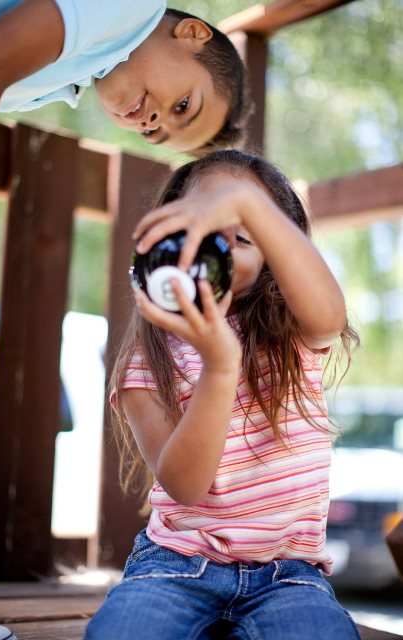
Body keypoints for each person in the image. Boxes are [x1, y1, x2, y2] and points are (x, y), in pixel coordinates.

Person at [84, 149, 361, 639]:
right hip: (176, 563)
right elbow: (185, 486)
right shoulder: (149, 360)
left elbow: (329, 317)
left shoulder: (292, 332)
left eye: (243, 235)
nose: (220, 249)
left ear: (276, 257)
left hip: (288, 574)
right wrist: (219, 366)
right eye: (203, 232)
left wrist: (246, 202)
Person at [0, 1, 251, 153]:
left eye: (152, 133)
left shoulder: (60, 82)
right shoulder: (134, 6)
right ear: (192, 34)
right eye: (183, 106)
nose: (151, 122)